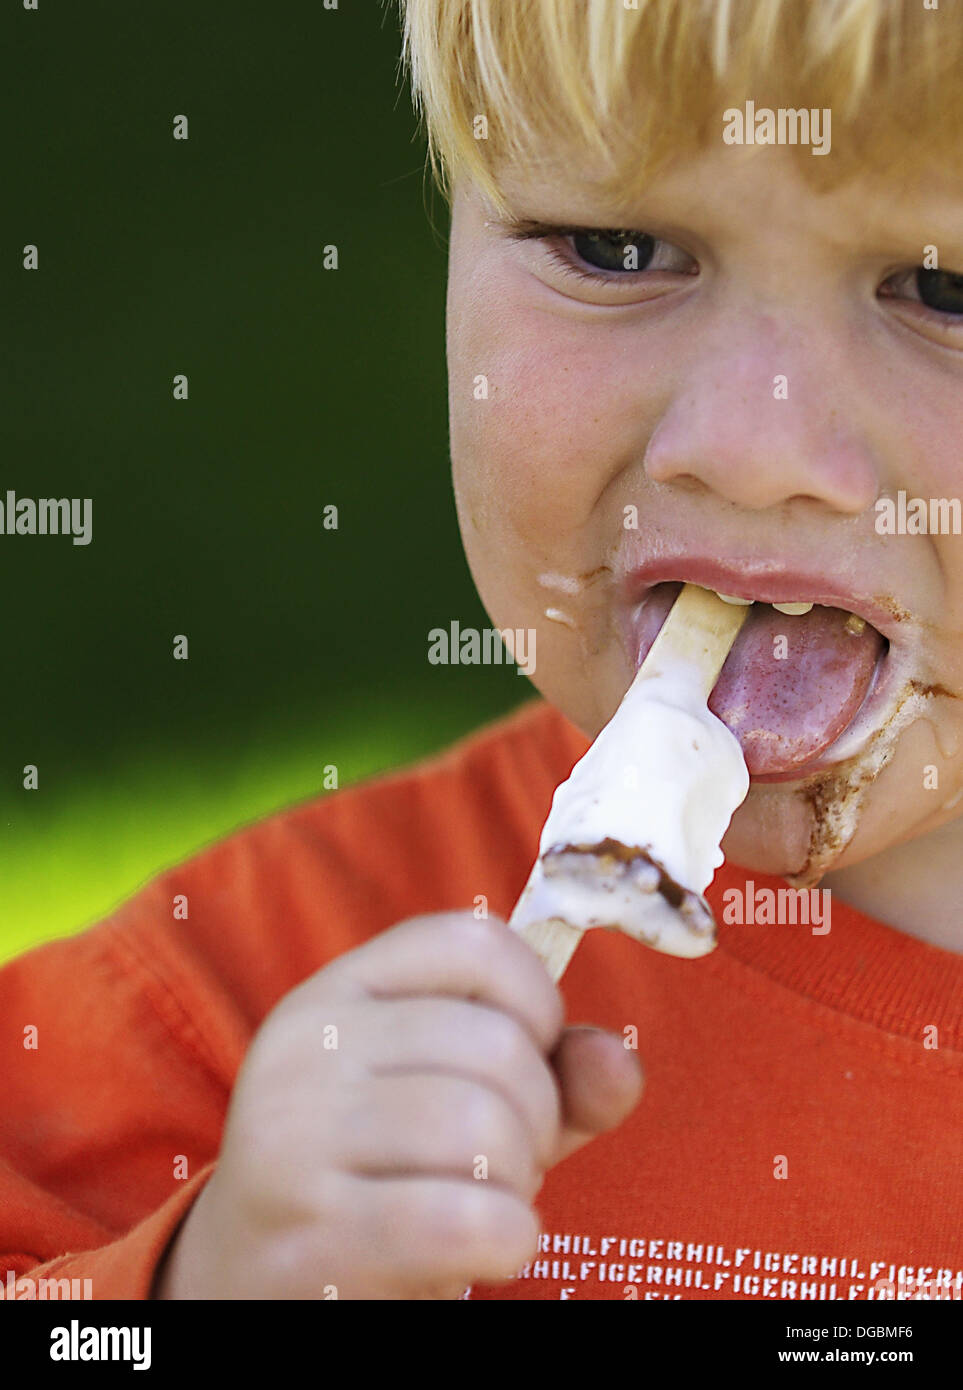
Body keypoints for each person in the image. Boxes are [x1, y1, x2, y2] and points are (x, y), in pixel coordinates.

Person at [2, 0, 962, 1301]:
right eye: (616, 247)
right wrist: (200, 1284)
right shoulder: (237, 1001)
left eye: (944, 290)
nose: (747, 444)